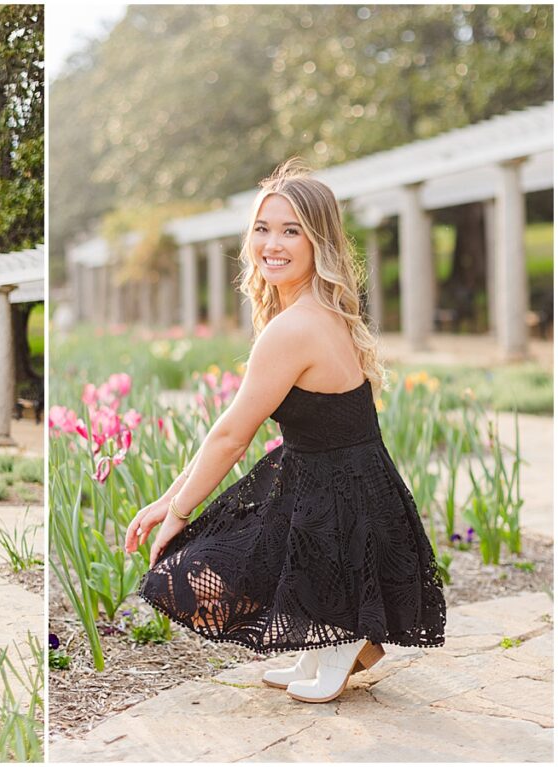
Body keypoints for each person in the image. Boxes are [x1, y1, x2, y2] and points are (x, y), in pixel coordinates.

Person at [125, 160, 446, 704]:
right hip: (340, 486)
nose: (272, 243)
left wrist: (177, 514)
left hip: (342, 502)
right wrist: (170, 493)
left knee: (194, 562)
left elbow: (232, 436)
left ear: (318, 240)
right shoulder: (322, 310)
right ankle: (329, 644)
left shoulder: (293, 328)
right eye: (263, 228)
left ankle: (344, 637)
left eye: (291, 230)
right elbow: (231, 429)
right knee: (267, 530)